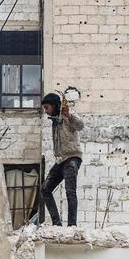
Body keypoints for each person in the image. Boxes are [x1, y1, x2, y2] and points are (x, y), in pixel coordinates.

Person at [40, 92, 84, 227]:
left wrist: (69, 116)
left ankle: (72, 226)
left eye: (47, 108)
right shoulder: (54, 120)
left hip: (72, 158)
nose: (46, 111)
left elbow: (80, 126)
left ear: (54, 105)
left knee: (70, 191)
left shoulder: (67, 115)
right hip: (60, 160)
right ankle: (57, 223)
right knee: (45, 189)